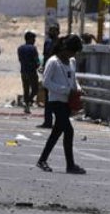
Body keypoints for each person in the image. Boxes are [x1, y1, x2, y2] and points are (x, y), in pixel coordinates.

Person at [36, 34, 86, 174]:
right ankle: (70, 165)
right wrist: (64, 90)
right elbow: (46, 82)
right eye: (71, 51)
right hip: (56, 101)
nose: (72, 54)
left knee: (57, 132)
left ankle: (42, 160)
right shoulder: (53, 62)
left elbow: (73, 79)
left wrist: (78, 89)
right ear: (65, 48)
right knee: (68, 131)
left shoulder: (71, 62)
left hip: (67, 102)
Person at [39, 25, 61, 128]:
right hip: (48, 71)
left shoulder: (61, 43)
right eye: (50, 31)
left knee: (57, 98)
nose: (51, 33)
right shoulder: (47, 43)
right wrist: (43, 67)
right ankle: (48, 121)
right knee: (48, 98)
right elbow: (45, 56)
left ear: (58, 32)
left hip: (57, 72)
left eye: (53, 31)